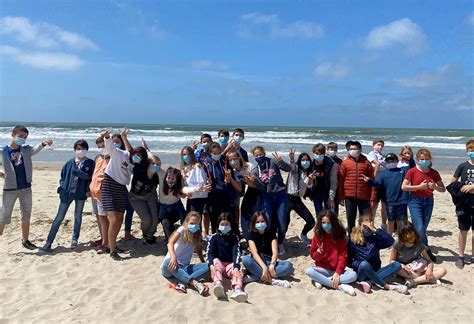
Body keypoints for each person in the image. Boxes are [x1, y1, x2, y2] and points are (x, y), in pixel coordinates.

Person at [0, 125, 53, 249]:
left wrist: (43, 143)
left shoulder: (25, 150)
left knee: (26, 215)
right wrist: (2, 175)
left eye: (25, 137)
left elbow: (35, 149)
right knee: (4, 215)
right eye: (20, 136)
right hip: (10, 189)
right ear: (13, 135)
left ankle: (25, 240)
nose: (22, 139)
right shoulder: (3, 152)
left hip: (26, 188)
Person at [42, 140, 94, 251]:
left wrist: (79, 173)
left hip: (80, 194)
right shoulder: (70, 162)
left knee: (78, 217)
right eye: (79, 149)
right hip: (66, 194)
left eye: (83, 149)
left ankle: (75, 239)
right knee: (59, 217)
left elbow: (89, 177)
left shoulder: (90, 163)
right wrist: (61, 188)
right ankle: (49, 241)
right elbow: (62, 176)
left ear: (87, 150)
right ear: (75, 150)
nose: (81, 151)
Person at [401, 148, 446, 262]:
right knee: (420, 228)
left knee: (423, 228)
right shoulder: (412, 171)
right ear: (417, 159)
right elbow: (404, 187)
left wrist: (434, 187)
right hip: (415, 201)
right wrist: (419, 187)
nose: (424, 161)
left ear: (430, 159)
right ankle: (425, 248)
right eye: (422, 159)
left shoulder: (434, 172)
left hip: (428, 201)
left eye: (426, 159)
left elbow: (443, 189)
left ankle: (418, 248)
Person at [348, 214, 408, 294]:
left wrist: (375, 230)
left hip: (376, 271)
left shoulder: (375, 238)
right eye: (365, 226)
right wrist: (359, 264)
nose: (367, 228)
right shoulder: (353, 240)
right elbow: (349, 261)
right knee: (364, 264)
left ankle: (371, 281)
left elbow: (391, 241)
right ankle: (387, 286)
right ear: (360, 225)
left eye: (369, 226)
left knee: (397, 265)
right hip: (362, 272)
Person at [306, 209, 357, 296]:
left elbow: (343, 257)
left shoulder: (340, 236)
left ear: (333, 223)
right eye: (323, 223)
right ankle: (337, 286)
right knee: (309, 271)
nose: (326, 225)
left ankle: (322, 280)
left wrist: (337, 273)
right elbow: (313, 256)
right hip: (323, 269)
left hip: (337, 270)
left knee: (353, 275)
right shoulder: (318, 235)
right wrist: (319, 253)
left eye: (328, 223)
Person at [100, 129, 134, 260]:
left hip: (121, 187)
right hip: (109, 185)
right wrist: (107, 136)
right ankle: (112, 250)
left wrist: (125, 137)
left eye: (119, 141)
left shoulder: (129, 158)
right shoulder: (116, 152)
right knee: (113, 219)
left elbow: (130, 152)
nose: (117, 144)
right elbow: (109, 145)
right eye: (116, 142)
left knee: (120, 218)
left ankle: (112, 245)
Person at [251, 146, 292, 254]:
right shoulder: (255, 171)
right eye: (257, 155)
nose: (259, 157)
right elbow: (261, 188)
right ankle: (268, 243)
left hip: (280, 195)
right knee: (266, 222)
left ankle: (280, 242)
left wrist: (281, 162)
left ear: (264, 153)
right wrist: (254, 181)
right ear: (254, 157)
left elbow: (289, 169)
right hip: (267, 197)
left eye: (261, 154)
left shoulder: (273, 161)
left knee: (282, 224)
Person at [161, 211, 210, 295]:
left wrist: (202, 261)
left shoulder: (197, 233)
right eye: (191, 223)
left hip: (184, 267)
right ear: (186, 222)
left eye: (196, 223)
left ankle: (184, 281)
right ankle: (194, 282)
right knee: (168, 261)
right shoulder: (182, 229)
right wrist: (173, 258)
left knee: (209, 266)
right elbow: (170, 243)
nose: (194, 225)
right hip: (170, 266)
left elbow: (198, 248)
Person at [242, 212, 293, 288]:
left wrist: (272, 265)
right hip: (258, 262)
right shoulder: (251, 235)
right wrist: (264, 268)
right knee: (246, 259)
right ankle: (272, 280)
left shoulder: (271, 233)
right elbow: (254, 253)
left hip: (270, 261)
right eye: (258, 222)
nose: (260, 223)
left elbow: (275, 251)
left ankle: (257, 276)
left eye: (262, 221)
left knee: (288, 265)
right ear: (254, 224)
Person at [362, 153, 409, 235]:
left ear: (397, 161)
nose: (390, 162)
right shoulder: (384, 173)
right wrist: (369, 181)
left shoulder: (403, 170)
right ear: (386, 162)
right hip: (390, 201)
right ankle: (390, 238)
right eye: (388, 161)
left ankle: (400, 237)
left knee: (400, 221)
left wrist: (405, 158)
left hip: (402, 200)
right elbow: (378, 184)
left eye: (392, 160)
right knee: (390, 221)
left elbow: (411, 166)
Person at [389, 222, 447, 288]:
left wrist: (429, 270)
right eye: (407, 233)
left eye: (412, 232)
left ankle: (414, 281)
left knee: (443, 270)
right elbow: (391, 261)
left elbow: (429, 261)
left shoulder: (419, 244)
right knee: (395, 268)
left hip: (417, 267)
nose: (410, 235)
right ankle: (426, 279)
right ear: (402, 235)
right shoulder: (398, 243)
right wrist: (402, 265)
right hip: (405, 270)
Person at [207, 214, 248, 302]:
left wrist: (236, 267)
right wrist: (211, 265)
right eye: (222, 225)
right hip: (219, 265)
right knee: (215, 262)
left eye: (227, 225)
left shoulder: (234, 238)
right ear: (218, 225)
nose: (224, 227)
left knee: (239, 269)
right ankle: (218, 285)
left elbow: (236, 253)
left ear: (231, 225)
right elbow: (210, 253)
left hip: (230, 264)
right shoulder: (214, 237)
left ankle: (237, 289)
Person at [338, 141, 374, 234]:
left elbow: (372, 181)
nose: (352, 151)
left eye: (354, 149)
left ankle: (365, 241)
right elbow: (341, 180)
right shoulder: (345, 163)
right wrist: (341, 197)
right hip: (349, 197)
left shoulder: (366, 163)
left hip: (364, 197)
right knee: (351, 221)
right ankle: (351, 240)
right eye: (350, 149)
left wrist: (373, 197)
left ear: (360, 150)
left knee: (365, 222)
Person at [449, 139, 474, 269]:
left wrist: (472, 187)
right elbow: (452, 182)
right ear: (467, 151)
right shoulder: (462, 166)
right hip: (464, 202)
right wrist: (463, 188)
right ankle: (461, 256)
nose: (473, 152)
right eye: (471, 150)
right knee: (463, 229)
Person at [128, 146, 160, 245]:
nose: (155, 165)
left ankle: (149, 236)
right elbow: (130, 152)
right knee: (147, 220)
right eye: (153, 164)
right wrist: (124, 138)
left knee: (155, 219)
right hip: (136, 197)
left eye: (157, 164)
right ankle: (145, 235)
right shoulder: (138, 168)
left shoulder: (157, 174)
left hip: (150, 195)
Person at [227, 150, 260, 240]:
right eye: (230, 160)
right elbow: (240, 188)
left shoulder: (250, 167)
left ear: (239, 158)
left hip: (258, 190)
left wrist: (249, 181)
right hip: (249, 190)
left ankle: (257, 235)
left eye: (234, 159)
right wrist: (231, 179)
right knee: (244, 211)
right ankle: (247, 236)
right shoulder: (234, 171)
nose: (233, 161)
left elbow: (257, 184)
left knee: (257, 213)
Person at [286, 150, 315, 245]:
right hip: (287, 198)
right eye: (303, 160)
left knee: (311, 221)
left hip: (297, 200)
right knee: (285, 223)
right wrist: (291, 158)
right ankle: (281, 241)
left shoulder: (308, 173)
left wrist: (310, 179)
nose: (305, 162)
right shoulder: (295, 169)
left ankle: (303, 235)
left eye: (307, 160)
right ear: (300, 161)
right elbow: (291, 166)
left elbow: (309, 186)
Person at [180, 146, 212, 236]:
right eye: (184, 154)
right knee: (190, 218)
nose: (186, 156)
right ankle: (194, 237)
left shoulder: (197, 166)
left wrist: (191, 190)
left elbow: (201, 184)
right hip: (191, 197)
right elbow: (183, 186)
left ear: (192, 155)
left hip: (199, 197)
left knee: (195, 219)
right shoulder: (184, 168)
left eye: (188, 154)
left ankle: (198, 238)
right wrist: (188, 191)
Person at [204, 142, 234, 234]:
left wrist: (228, 178)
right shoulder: (206, 164)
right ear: (210, 153)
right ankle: (215, 235)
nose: (217, 155)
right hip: (212, 194)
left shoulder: (224, 161)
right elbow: (203, 179)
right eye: (214, 154)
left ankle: (229, 235)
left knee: (227, 215)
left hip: (225, 192)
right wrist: (207, 182)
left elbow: (230, 173)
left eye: (218, 153)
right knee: (214, 217)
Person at [89, 137, 110, 253]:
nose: (101, 148)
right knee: (98, 216)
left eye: (103, 146)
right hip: (94, 191)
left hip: (103, 193)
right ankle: (103, 238)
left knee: (103, 217)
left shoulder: (112, 159)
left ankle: (105, 243)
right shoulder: (97, 158)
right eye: (99, 147)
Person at [159, 167, 186, 241]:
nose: (170, 180)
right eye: (169, 177)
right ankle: (169, 239)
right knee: (165, 222)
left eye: (173, 179)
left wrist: (182, 187)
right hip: (164, 209)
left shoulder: (179, 183)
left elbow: (184, 196)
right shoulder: (162, 179)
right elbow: (157, 168)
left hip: (176, 209)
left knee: (184, 220)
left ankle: (183, 237)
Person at [311, 143, 338, 214]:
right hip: (316, 192)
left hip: (327, 192)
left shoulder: (331, 164)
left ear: (324, 154)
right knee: (319, 214)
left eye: (321, 153)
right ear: (313, 153)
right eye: (316, 153)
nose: (318, 155)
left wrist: (331, 198)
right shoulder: (311, 164)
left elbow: (333, 182)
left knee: (329, 214)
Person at [367, 139, 388, 230]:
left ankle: (383, 223)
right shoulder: (372, 154)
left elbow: (386, 166)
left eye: (382, 146)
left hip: (384, 182)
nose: (380, 147)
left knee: (384, 203)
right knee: (374, 203)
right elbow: (376, 165)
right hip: (376, 181)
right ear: (373, 145)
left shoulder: (383, 156)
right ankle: (371, 222)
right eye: (378, 145)